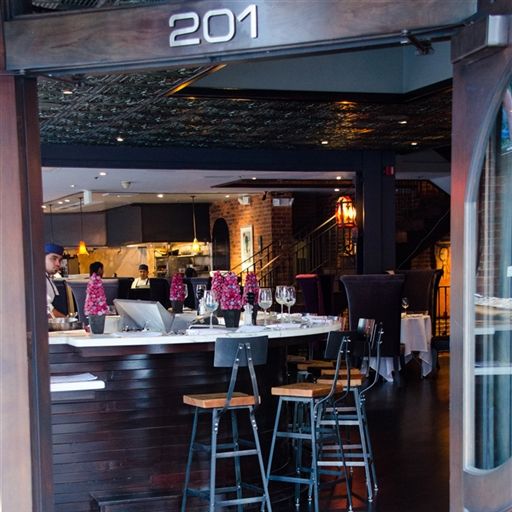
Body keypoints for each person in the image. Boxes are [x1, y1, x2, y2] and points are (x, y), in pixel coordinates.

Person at [45, 243, 65, 317]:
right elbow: (48, 311)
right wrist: (68, 320)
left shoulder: (48, 278)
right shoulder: (39, 280)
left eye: (60, 260)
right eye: (53, 258)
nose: (58, 264)